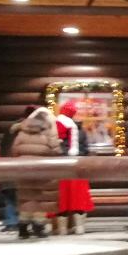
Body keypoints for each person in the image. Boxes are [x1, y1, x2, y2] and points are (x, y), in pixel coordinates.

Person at [9, 107, 62, 239]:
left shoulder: (22, 132)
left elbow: (14, 150)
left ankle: (23, 227)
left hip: (23, 169)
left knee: (25, 197)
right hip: (41, 169)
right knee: (40, 197)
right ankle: (38, 226)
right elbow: (55, 149)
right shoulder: (48, 131)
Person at [54, 100, 94, 235]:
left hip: (60, 167)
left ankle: (62, 229)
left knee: (62, 198)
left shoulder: (55, 127)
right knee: (79, 198)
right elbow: (85, 150)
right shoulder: (80, 131)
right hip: (78, 167)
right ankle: (80, 227)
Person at [0, 106, 32, 232]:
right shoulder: (32, 130)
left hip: (8, 166)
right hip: (26, 167)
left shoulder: (10, 130)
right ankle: (24, 222)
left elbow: (3, 148)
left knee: (10, 196)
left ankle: (11, 222)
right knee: (25, 197)